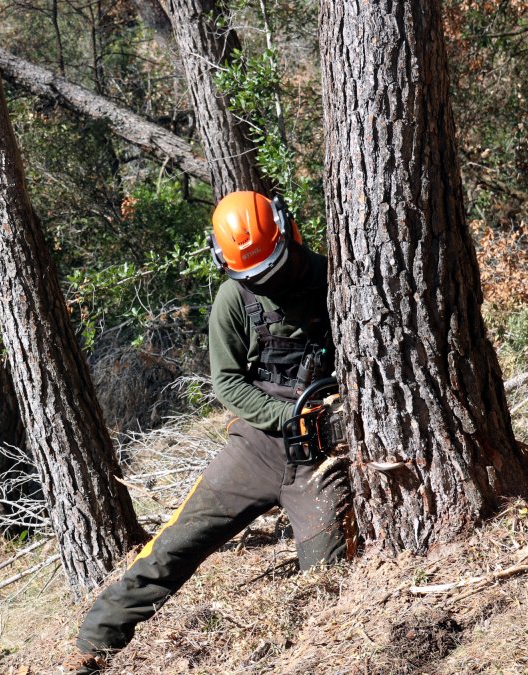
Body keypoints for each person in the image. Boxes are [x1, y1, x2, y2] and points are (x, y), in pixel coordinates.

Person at [62, 191, 355, 674]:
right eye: (253, 273)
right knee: (177, 543)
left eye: (272, 267)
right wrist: (286, 416)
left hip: (319, 459)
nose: (265, 280)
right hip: (257, 447)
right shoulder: (233, 299)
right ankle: (95, 639)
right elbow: (228, 382)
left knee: (329, 574)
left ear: (288, 233)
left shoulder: (334, 279)